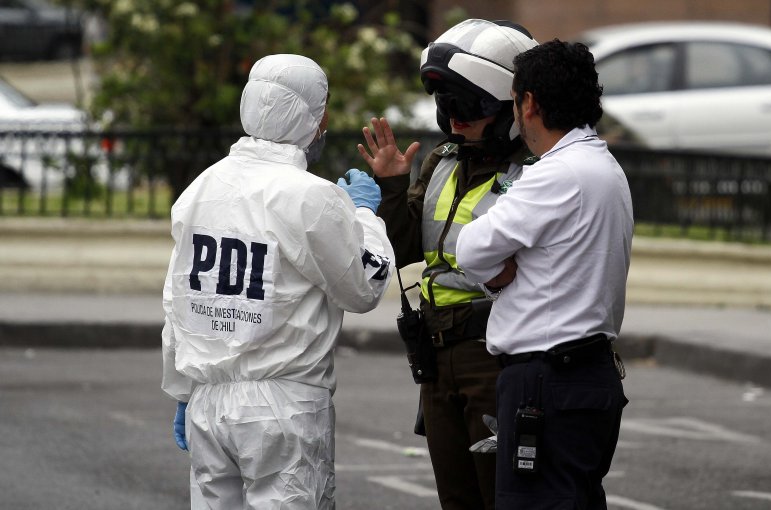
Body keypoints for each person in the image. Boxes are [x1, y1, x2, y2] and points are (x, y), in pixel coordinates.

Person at [161, 54, 394, 510]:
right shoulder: (311, 196)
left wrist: (183, 390)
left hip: (208, 404)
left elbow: (179, 299)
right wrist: (363, 215)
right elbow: (363, 286)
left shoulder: (203, 188)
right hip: (283, 407)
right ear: (317, 118)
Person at [356, 19, 537, 510]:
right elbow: (409, 250)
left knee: (502, 496)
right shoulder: (443, 161)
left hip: (493, 355)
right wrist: (394, 186)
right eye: (446, 104)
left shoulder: (534, 174)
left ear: (512, 109)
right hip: (436, 355)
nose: (455, 118)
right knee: (456, 499)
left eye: (470, 105)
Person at [456, 39, 634, 509]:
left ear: (529, 102)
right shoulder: (603, 166)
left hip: (548, 380)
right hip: (585, 374)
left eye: (515, 101)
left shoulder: (558, 173)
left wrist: (495, 273)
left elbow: (470, 247)